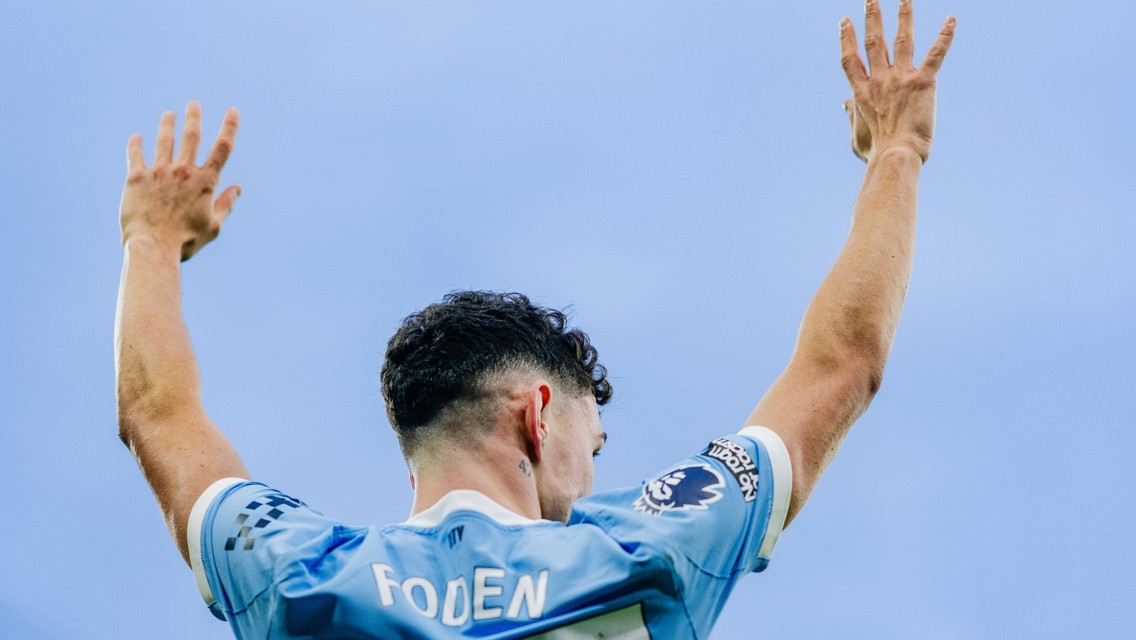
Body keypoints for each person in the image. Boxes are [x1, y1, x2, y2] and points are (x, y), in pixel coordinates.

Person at [115, 1, 955, 637]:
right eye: (589, 450)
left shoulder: (297, 568)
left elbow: (157, 416)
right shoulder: (638, 551)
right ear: (537, 414)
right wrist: (898, 152)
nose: (589, 482)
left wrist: (150, 239)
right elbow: (840, 364)